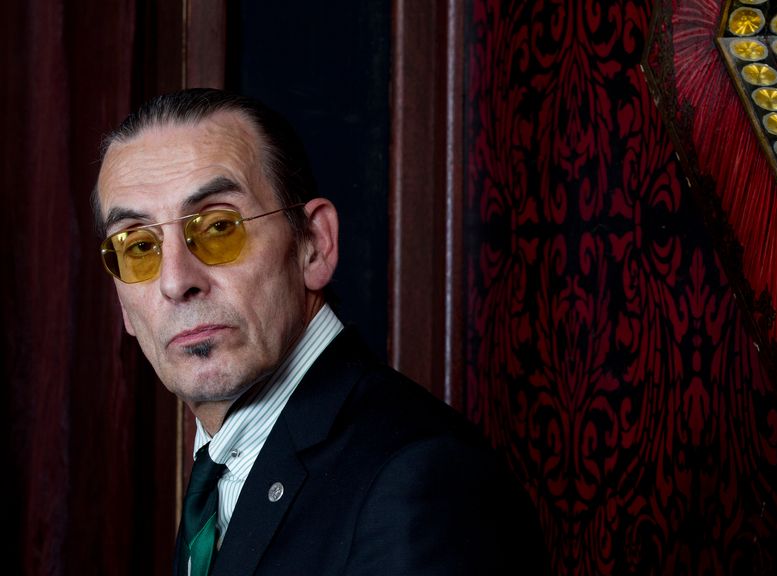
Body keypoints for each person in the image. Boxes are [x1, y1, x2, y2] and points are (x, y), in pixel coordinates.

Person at [92, 88, 547, 575]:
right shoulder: (220, 467)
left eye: (219, 227)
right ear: (122, 302)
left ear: (314, 245)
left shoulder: (420, 479)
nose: (176, 280)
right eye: (138, 247)